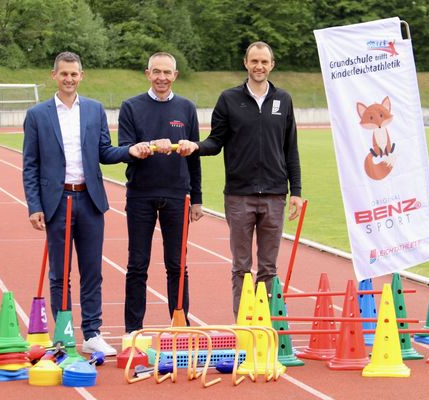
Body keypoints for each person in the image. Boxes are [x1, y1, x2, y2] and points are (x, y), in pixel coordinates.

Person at [23, 51, 139, 356]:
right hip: (56, 201)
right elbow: (30, 165)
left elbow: (105, 152)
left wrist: (131, 151)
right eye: (64, 74)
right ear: (54, 76)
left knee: (92, 271)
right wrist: (34, 205)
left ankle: (92, 332)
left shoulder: (94, 110)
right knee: (60, 273)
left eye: (74, 74)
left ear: (81, 76)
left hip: (89, 199)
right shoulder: (37, 115)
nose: (69, 79)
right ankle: (62, 333)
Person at [178, 41, 302, 319]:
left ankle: (267, 324)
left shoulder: (284, 100)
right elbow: (216, 141)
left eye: (264, 62)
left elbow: (290, 148)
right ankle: (244, 324)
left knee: (269, 269)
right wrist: (196, 146)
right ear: (246, 63)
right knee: (241, 267)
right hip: (239, 196)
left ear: (272, 65)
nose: (259, 66)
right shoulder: (229, 99)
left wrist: (296, 190)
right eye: (254, 61)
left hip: (274, 195)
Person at [118, 52, 203, 335]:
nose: (162, 78)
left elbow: (194, 157)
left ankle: (180, 326)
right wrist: (148, 146)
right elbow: (125, 149)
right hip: (141, 194)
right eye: (156, 72)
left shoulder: (187, 108)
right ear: (147, 73)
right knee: (137, 265)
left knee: (177, 266)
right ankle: (133, 330)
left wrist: (198, 199)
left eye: (167, 72)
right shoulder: (130, 107)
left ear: (175, 75)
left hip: (178, 196)